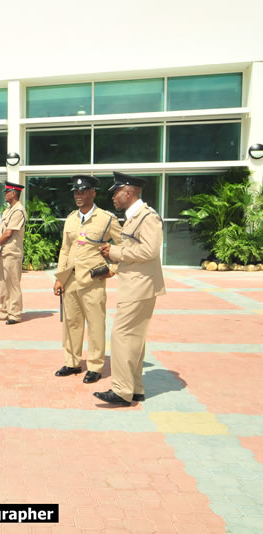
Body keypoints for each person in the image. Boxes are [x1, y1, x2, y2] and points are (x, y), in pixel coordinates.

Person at [94, 172, 166, 406]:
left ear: (129, 192)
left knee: (122, 337)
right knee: (134, 338)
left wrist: (115, 252)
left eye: (116, 192)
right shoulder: (134, 216)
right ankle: (135, 389)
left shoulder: (147, 217)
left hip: (140, 286)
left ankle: (121, 391)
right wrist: (114, 264)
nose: (113, 197)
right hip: (137, 283)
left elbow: (149, 251)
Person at [53, 176, 123, 384]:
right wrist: (59, 278)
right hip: (71, 279)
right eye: (76, 192)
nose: (79, 195)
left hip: (93, 280)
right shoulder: (71, 218)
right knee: (71, 323)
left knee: (95, 324)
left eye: (83, 191)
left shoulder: (107, 219)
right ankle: (72, 362)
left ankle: (95, 366)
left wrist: (112, 269)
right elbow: (65, 250)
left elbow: (124, 247)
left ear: (93, 193)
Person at [0, 182, 27, 324]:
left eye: (7, 192)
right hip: (2, 251)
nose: (5, 194)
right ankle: (3, 310)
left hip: (11, 251)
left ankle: (14, 313)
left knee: (13, 283)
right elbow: (0, 229)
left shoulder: (18, 211)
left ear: (14, 193)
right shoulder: (7, 210)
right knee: (3, 283)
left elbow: (9, 232)